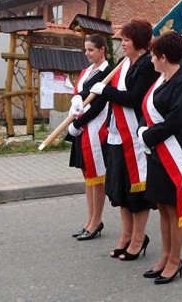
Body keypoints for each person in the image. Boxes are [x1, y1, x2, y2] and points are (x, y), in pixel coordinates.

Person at [90, 19, 159, 259]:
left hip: (135, 137)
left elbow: (134, 98)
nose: (123, 43)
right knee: (119, 190)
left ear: (138, 41)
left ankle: (139, 237)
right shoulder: (123, 63)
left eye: (126, 39)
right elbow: (107, 93)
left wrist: (106, 91)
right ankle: (126, 235)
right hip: (116, 135)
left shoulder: (147, 66)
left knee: (135, 193)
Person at [138, 31, 182, 284]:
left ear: (163, 57)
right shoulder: (161, 81)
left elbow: (176, 120)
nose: (151, 59)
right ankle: (164, 256)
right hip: (157, 153)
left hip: (173, 153)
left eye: (153, 55)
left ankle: (175, 260)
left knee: (173, 209)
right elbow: (147, 110)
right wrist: (143, 130)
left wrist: (147, 135)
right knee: (162, 207)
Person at [67, 34, 111, 241]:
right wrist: (74, 110)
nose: (87, 53)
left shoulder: (108, 73)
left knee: (97, 176)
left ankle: (97, 221)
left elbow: (99, 105)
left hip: (95, 130)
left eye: (91, 50)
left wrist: (78, 123)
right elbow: (80, 96)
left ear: (102, 49)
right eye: (85, 50)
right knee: (87, 175)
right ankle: (90, 219)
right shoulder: (86, 72)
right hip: (81, 129)